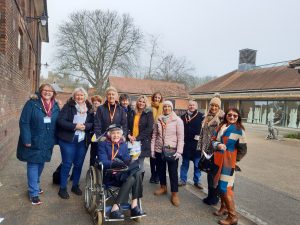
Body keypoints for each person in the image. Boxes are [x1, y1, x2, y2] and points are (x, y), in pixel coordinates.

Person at [17, 84, 60, 205]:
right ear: (40, 91)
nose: (47, 92)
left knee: (41, 163)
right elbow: (24, 122)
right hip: (34, 139)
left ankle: (34, 184)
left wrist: (58, 138)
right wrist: (26, 139)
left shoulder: (55, 106)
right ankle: (33, 193)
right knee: (33, 164)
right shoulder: (32, 103)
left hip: (47, 140)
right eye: (45, 90)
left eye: (50, 91)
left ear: (53, 93)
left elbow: (58, 123)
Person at [98, 124, 145, 220]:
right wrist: (115, 164)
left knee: (137, 171)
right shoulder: (103, 144)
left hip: (123, 172)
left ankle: (134, 205)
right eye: (113, 133)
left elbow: (127, 159)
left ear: (121, 134)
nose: (116, 135)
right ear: (109, 134)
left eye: (118, 133)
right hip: (110, 174)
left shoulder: (123, 144)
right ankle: (118, 208)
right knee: (132, 178)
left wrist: (132, 161)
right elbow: (103, 162)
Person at [56, 87, 94, 199]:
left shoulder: (89, 108)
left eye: (82, 95)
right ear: (74, 96)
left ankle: (75, 185)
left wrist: (85, 126)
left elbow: (92, 123)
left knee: (78, 164)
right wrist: (75, 126)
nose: (79, 97)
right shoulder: (69, 106)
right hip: (68, 140)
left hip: (82, 140)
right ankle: (62, 188)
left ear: (85, 96)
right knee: (67, 163)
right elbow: (60, 121)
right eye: (77, 95)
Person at [212, 108, 247, 225]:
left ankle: (233, 217)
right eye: (230, 115)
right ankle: (224, 208)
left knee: (225, 188)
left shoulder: (239, 130)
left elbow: (243, 149)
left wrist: (232, 160)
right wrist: (218, 145)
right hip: (217, 160)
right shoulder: (221, 126)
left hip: (228, 163)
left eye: (235, 116)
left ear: (238, 118)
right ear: (226, 115)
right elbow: (213, 140)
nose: (232, 117)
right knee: (220, 187)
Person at [151, 100, 184, 206]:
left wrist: (179, 151)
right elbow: (154, 135)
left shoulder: (177, 120)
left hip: (172, 150)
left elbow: (181, 137)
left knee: (173, 172)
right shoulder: (159, 119)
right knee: (161, 170)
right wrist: (152, 149)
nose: (166, 108)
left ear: (172, 108)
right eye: (165, 106)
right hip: (159, 149)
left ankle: (174, 194)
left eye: (168, 107)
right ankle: (163, 187)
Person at [197, 94, 224, 205]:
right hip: (206, 150)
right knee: (209, 174)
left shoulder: (222, 119)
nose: (213, 108)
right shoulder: (206, 117)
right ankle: (210, 196)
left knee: (215, 176)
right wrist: (200, 148)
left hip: (215, 151)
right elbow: (202, 134)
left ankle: (214, 198)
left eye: (216, 106)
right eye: (212, 105)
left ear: (219, 107)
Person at [178, 100, 204, 189]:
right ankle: (182, 180)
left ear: (196, 107)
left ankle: (197, 181)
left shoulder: (201, 116)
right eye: (190, 105)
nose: (192, 106)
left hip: (197, 145)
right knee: (185, 164)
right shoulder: (182, 117)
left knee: (197, 165)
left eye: (193, 105)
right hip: (186, 145)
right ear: (187, 106)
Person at [128, 95, 154, 174]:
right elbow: (127, 125)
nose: (141, 103)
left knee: (140, 164)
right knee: (131, 162)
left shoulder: (148, 113)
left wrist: (137, 138)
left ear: (146, 104)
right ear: (137, 102)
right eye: (140, 101)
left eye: (143, 102)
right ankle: (131, 183)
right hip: (131, 140)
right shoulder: (132, 112)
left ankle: (138, 185)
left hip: (142, 141)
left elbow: (149, 129)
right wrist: (129, 135)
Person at [149, 92, 163, 184]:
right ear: (153, 98)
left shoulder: (163, 107)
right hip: (150, 134)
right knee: (152, 156)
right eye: (155, 97)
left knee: (158, 157)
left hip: (160, 135)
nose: (157, 99)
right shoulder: (150, 108)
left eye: (159, 98)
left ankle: (157, 175)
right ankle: (152, 175)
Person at [89, 95, 103, 167]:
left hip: (101, 136)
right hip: (92, 136)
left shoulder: (103, 112)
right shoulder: (90, 112)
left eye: (98, 101)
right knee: (93, 154)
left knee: (100, 153)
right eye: (94, 101)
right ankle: (91, 169)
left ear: (100, 103)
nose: (96, 103)